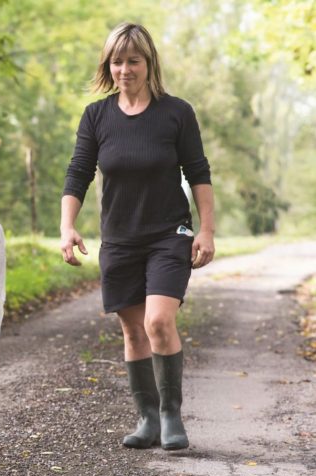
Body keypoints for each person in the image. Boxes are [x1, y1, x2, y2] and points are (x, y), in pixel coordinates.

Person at [59, 22, 215, 451]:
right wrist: (67, 226)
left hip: (170, 234)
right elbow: (78, 173)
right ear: (107, 66)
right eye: (117, 61)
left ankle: (170, 415)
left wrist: (205, 229)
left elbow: (198, 172)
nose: (125, 69)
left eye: (133, 61)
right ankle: (146, 418)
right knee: (133, 333)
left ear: (148, 64)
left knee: (158, 321)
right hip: (120, 240)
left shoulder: (176, 113)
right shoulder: (97, 115)